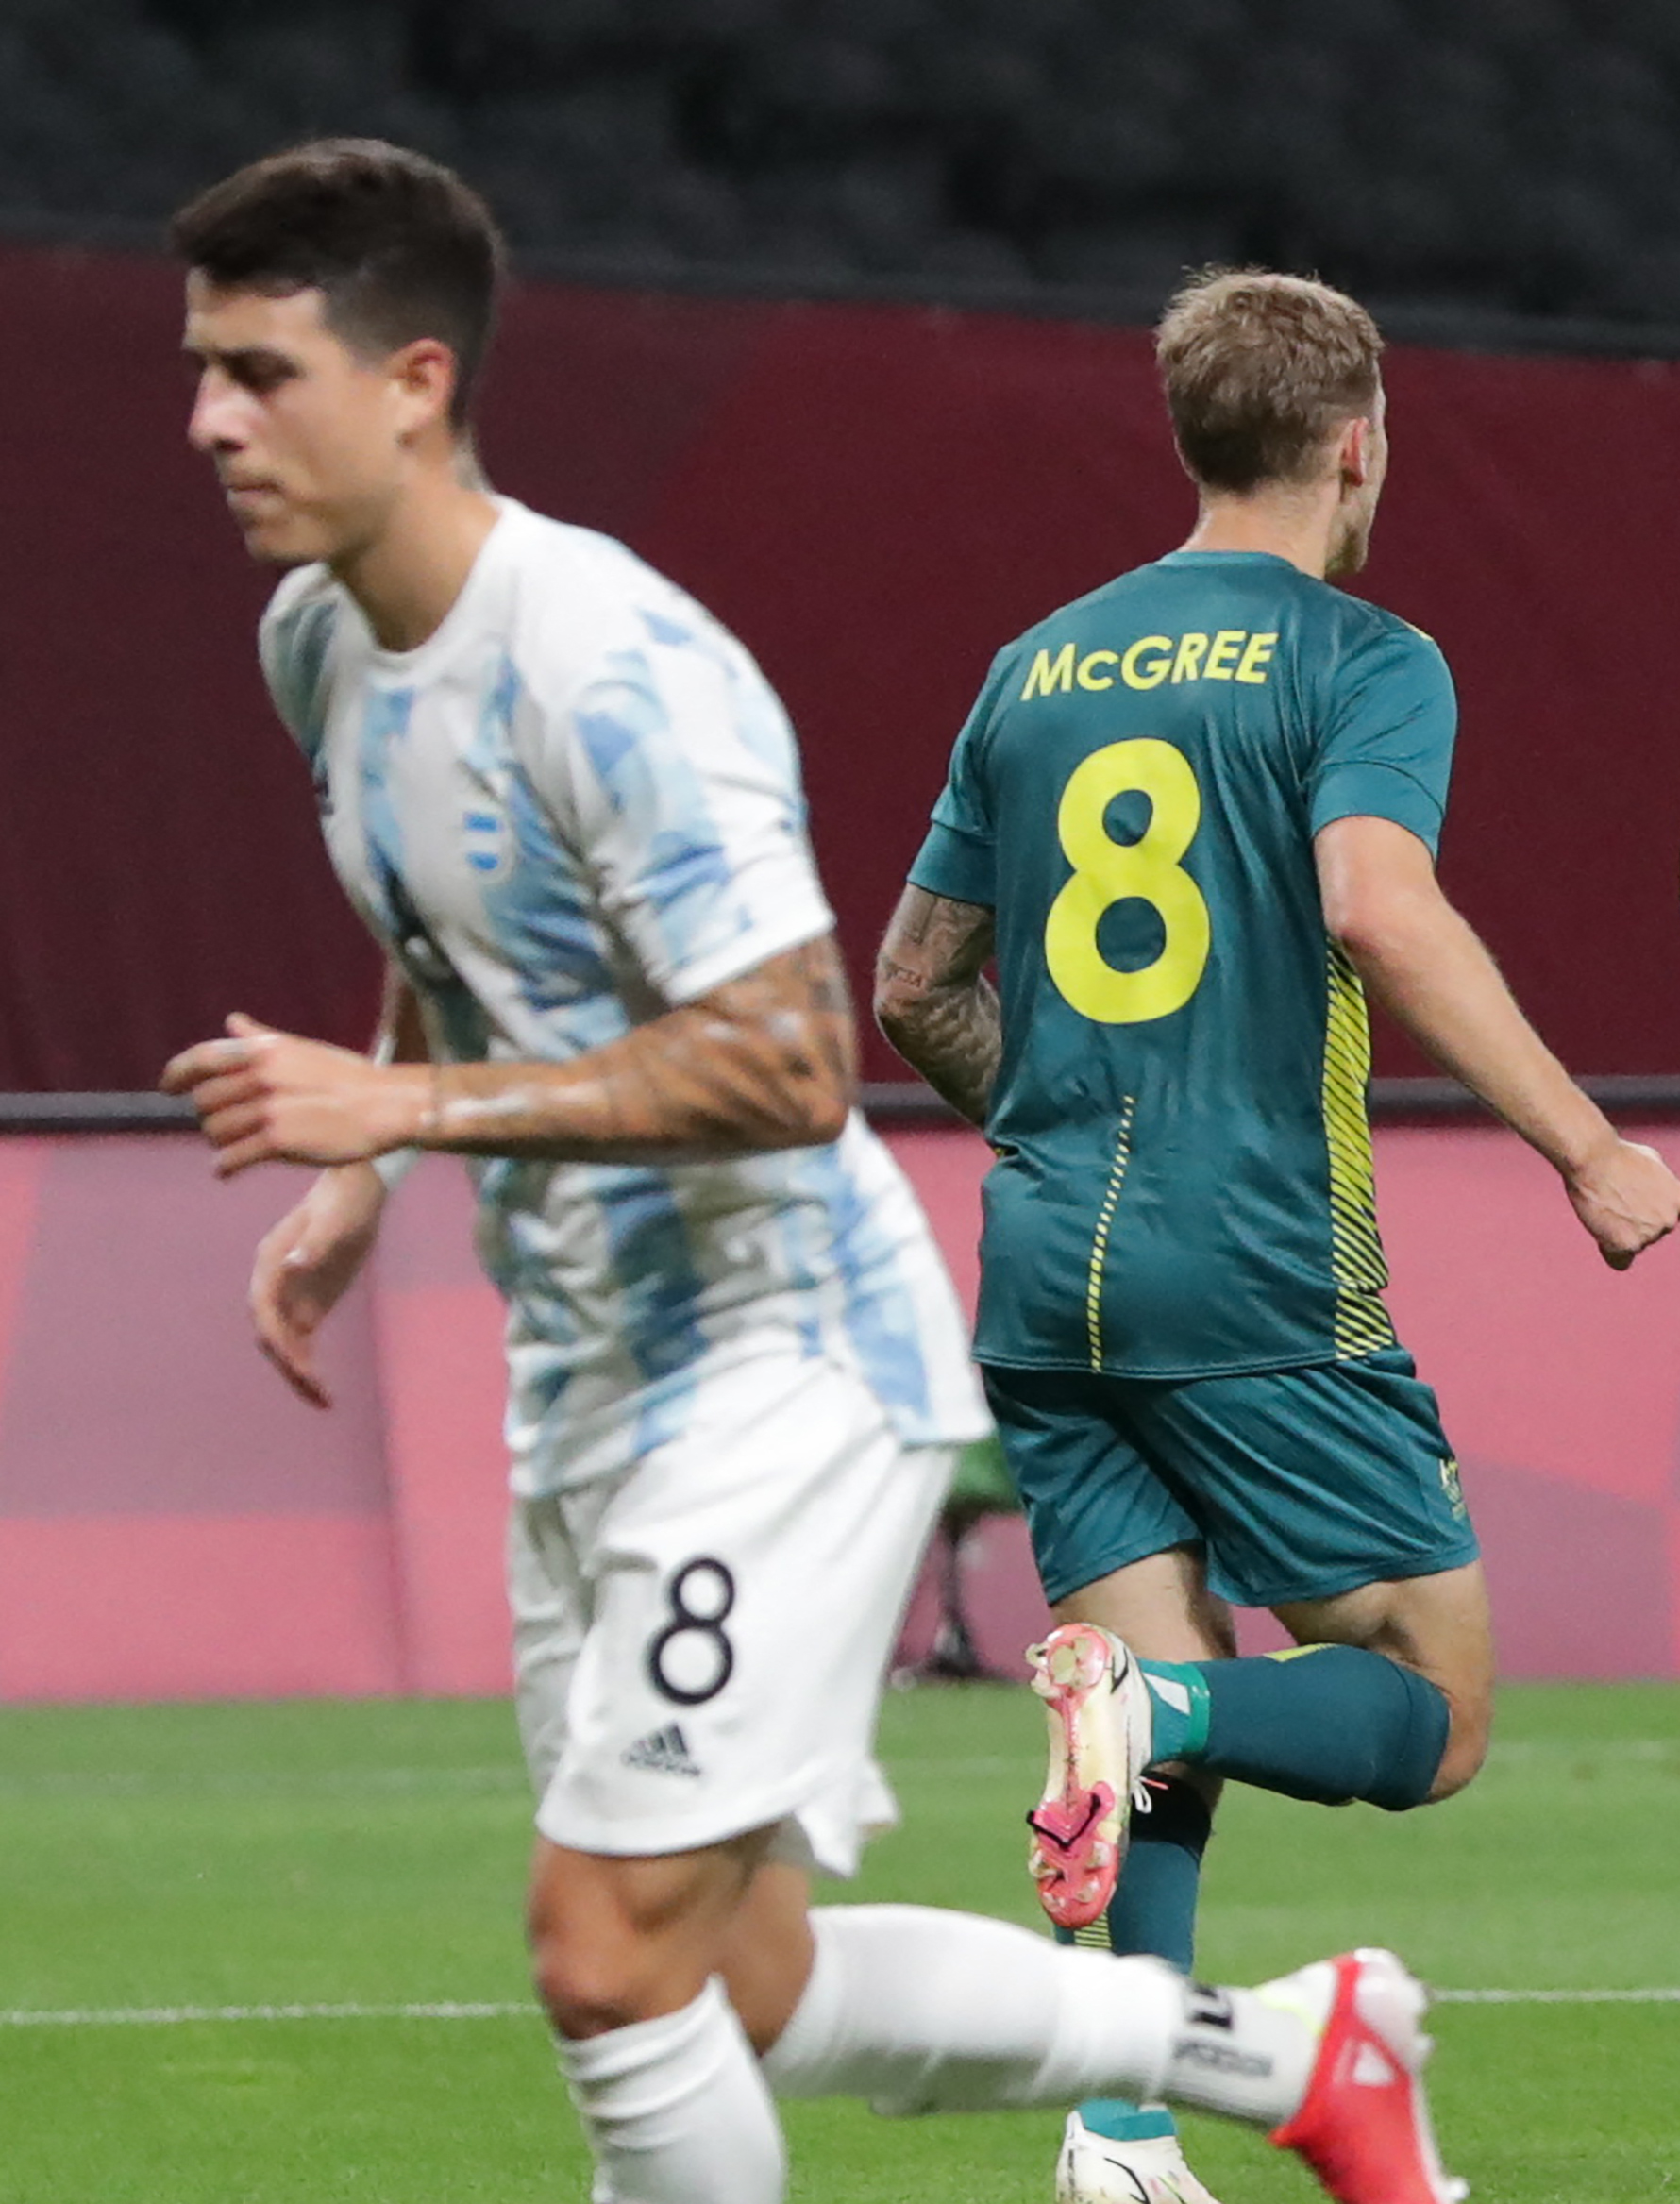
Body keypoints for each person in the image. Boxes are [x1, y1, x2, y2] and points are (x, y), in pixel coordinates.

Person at [157, 138, 1461, 2204]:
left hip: (782, 1366)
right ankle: (1283, 2054)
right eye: (200, 369)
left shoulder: (612, 662)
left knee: (601, 1955)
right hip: (586, 1377)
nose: (211, 418)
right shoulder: (318, 644)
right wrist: (357, 1182)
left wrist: (396, 1119)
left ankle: (1247, 2059)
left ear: (414, 379)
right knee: (718, 1973)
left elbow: (791, 1050)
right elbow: (453, 934)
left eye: (259, 370)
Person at [872, 266, 1680, 2204]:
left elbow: (912, 986)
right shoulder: (1362, 654)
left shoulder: (1034, 663)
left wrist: (1066, 1135)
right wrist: (1584, 1147)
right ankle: (1144, 1712)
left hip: (1043, 1259)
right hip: (1250, 1263)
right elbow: (1377, 906)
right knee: (1428, 1705)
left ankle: (1124, 2119)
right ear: (1358, 439)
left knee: (1151, 1700)